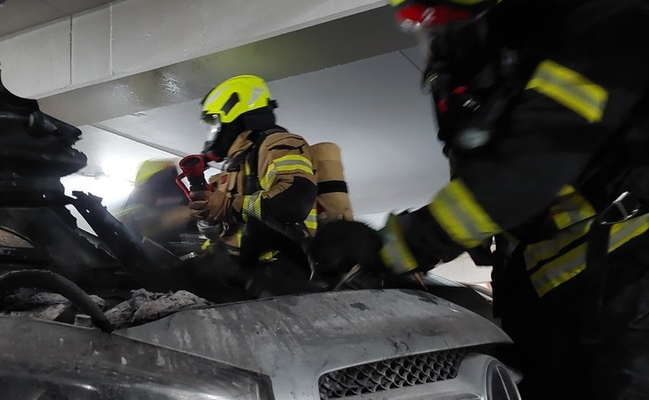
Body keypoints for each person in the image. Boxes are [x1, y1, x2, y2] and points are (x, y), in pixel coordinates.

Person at [308, 0, 649, 399]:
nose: (431, 40)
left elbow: (525, 173)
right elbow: (486, 181)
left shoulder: (605, 25)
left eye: (436, 22)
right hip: (551, 289)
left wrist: (394, 248)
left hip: (628, 284)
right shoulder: (509, 63)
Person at [186, 74, 321, 295]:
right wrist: (210, 219)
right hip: (237, 276)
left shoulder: (279, 143)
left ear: (232, 115)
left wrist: (229, 206)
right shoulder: (235, 167)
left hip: (277, 274)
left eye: (215, 122)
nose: (212, 133)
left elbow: (293, 201)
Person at [115, 159, 200, 255]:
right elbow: (131, 220)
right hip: (145, 257)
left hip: (178, 255)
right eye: (161, 182)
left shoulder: (179, 197)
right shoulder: (133, 208)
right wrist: (164, 219)